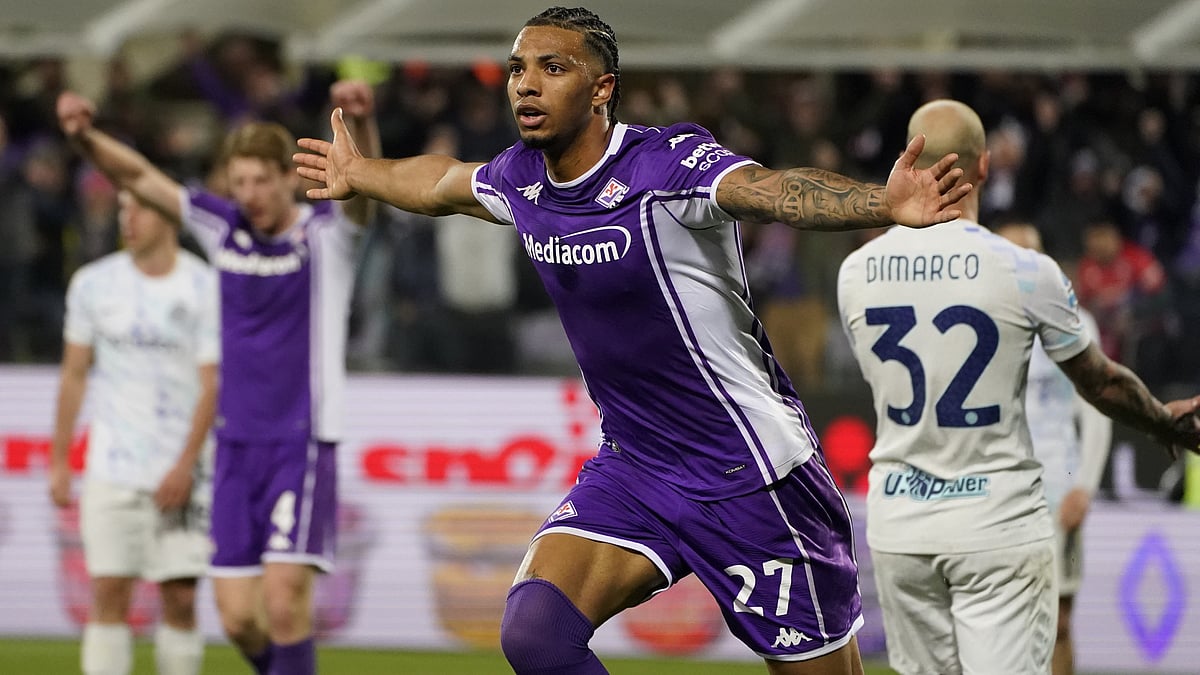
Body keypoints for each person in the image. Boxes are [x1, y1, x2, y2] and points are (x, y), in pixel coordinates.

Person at [295, 7, 974, 674]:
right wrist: (360, 174)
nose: (525, 84)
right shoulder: (522, 178)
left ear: (601, 89)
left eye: (551, 67)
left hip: (753, 477)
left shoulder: (666, 165)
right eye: (517, 69)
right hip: (638, 468)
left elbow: (768, 189)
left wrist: (878, 205)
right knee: (537, 635)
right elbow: (441, 181)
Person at [836, 99, 1200, 675]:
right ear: (985, 169)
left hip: (900, 524)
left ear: (910, 159)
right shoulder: (1027, 271)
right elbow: (1100, 385)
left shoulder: (855, 273)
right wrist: (1162, 419)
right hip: (997, 522)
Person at [57, 79, 379, 675]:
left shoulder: (325, 238)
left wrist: (360, 126)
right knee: (237, 619)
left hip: (300, 445)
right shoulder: (220, 226)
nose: (250, 195)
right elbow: (139, 178)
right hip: (232, 450)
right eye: (239, 183)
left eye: (262, 180)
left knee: (284, 603)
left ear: (290, 178)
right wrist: (83, 136)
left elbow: (361, 196)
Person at [48, 189, 219, 675]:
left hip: (183, 470)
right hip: (112, 467)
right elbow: (74, 375)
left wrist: (186, 464)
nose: (128, 219)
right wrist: (59, 460)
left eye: (139, 208)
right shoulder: (92, 284)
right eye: (123, 209)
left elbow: (213, 384)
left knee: (182, 597)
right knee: (108, 590)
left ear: (168, 217)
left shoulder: (204, 286)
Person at [996, 221, 1112, 675]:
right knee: (1001, 622)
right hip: (999, 493)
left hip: (1058, 491)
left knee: (1059, 622)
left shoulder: (1077, 325)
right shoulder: (980, 325)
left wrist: (1083, 485)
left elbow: (1097, 412)